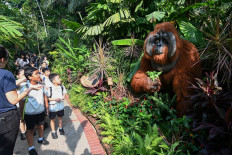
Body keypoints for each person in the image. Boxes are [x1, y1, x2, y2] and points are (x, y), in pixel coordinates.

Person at [0, 45, 42, 155]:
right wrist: (29, 89)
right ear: (2, 59)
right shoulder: (5, 74)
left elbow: (7, 85)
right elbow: (14, 100)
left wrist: (26, 77)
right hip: (5, 119)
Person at [20, 67, 50, 155]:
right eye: (36, 74)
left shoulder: (41, 85)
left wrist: (46, 107)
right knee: (30, 130)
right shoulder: (25, 88)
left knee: (41, 126)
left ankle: (41, 139)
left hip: (40, 111)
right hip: (29, 113)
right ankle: (31, 147)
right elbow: (22, 103)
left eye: (39, 73)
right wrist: (22, 115)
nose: (39, 75)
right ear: (30, 77)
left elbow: (45, 96)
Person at [48, 73, 67, 139]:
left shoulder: (62, 87)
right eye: (58, 78)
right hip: (52, 107)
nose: (60, 79)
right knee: (52, 119)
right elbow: (47, 98)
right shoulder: (50, 88)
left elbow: (64, 93)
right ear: (53, 81)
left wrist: (63, 97)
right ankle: (53, 131)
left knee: (60, 118)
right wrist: (55, 99)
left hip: (60, 106)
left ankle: (60, 128)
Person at [16, 68, 27, 140]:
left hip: (28, 104)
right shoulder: (16, 83)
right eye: (23, 75)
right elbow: (15, 84)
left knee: (27, 118)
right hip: (19, 104)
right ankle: (23, 132)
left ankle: (28, 130)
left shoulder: (28, 82)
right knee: (21, 119)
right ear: (18, 76)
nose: (25, 76)